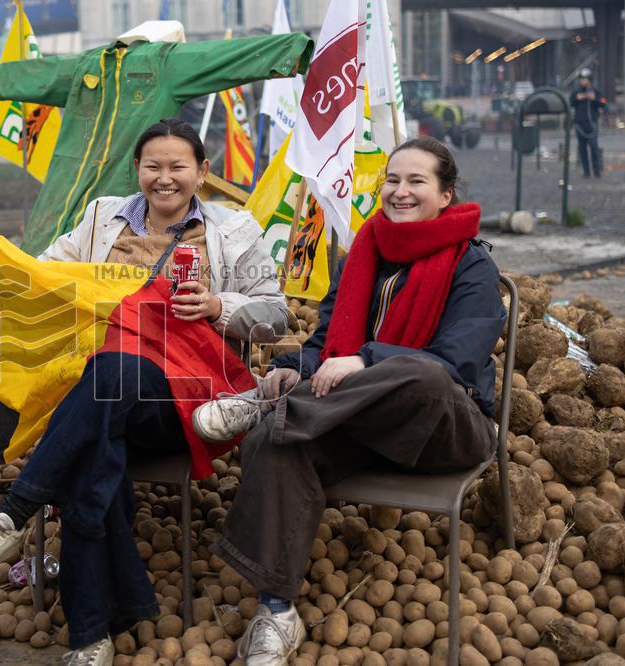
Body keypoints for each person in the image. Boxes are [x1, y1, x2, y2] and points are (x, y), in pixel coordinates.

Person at [0, 118, 287, 666]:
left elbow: (277, 318)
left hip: (191, 400)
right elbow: (38, 278)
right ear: (136, 170)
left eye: (177, 167)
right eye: (152, 167)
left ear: (203, 171)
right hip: (104, 392)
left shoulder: (235, 230)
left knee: (106, 387)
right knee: (97, 435)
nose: (164, 179)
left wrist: (220, 307)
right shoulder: (100, 218)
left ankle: (15, 510)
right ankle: (93, 633)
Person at [191, 137, 506, 665]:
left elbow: (456, 363)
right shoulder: (365, 254)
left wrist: (366, 359)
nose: (399, 192)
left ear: (446, 195)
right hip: (359, 425)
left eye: (416, 182)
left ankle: (268, 410)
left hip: (445, 424)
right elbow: (322, 345)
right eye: (392, 180)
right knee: (281, 441)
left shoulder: (472, 266)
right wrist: (296, 370)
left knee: (419, 371)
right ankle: (277, 611)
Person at [570, 68, 606, 178]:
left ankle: (597, 172)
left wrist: (594, 99)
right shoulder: (576, 92)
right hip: (580, 125)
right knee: (582, 149)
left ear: (590, 80)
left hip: (592, 125)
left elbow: (604, 102)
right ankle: (586, 172)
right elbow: (570, 102)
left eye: (584, 79)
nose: (582, 81)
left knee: (594, 147)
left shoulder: (596, 91)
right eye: (581, 79)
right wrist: (577, 98)